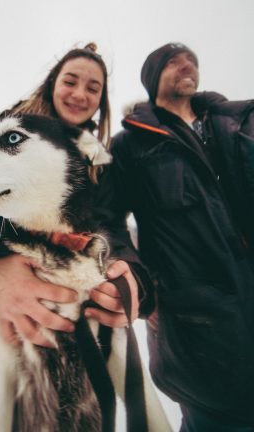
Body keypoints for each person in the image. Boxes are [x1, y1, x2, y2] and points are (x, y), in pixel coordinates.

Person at [0, 43, 153, 432]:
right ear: (53, 84)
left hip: (72, 360)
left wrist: (131, 277)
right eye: (70, 80)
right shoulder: (6, 129)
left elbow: (112, 228)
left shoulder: (98, 159)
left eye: (93, 87)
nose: (79, 93)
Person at [106, 42, 254, 431]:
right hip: (201, 336)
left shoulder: (239, 126)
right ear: (153, 77)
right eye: (174, 62)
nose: (187, 65)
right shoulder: (130, 146)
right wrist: (138, 279)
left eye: (193, 61)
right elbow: (107, 221)